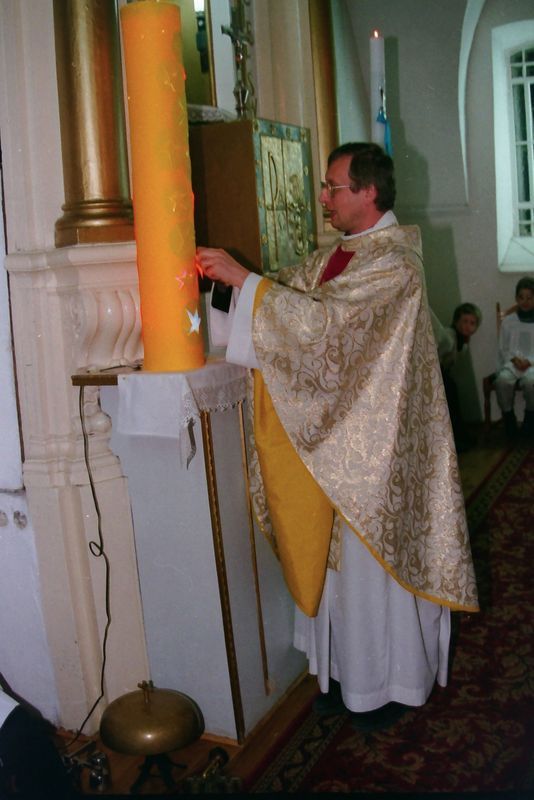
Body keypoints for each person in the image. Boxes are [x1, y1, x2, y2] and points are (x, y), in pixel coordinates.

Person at [197, 142, 478, 731]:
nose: (323, 198)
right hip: (343, 441)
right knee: (340, 575)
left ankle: (391, 684)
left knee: (373, 574)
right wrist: (224, 285)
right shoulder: (340, 254)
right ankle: (346, 675)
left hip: (379, 454)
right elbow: (288, 299)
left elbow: (327, 326)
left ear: (368, 192)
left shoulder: (395, 264)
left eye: (333, 187)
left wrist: (244, 279)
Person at [431, 303, 482, 452]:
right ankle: (457, 439)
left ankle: (460, 437)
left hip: (442, 375)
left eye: (472, 323)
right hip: (435, 374)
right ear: (456, 321)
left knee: (453, 393)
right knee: (451, 394)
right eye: (464, 321)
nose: (468, 326)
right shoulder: (448, 337)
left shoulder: (462, 343)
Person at [494, 276, 534, 440]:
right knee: (502, 381)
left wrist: (529, 361)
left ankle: (529, 421)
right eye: (521, 297)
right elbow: (503, 347)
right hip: (512, 363)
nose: (525, 301)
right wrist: (513, 359)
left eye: (530, 297)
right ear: (516, 298)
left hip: (532, 365)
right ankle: (509, 419)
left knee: (531, 383)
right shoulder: (509, 322)